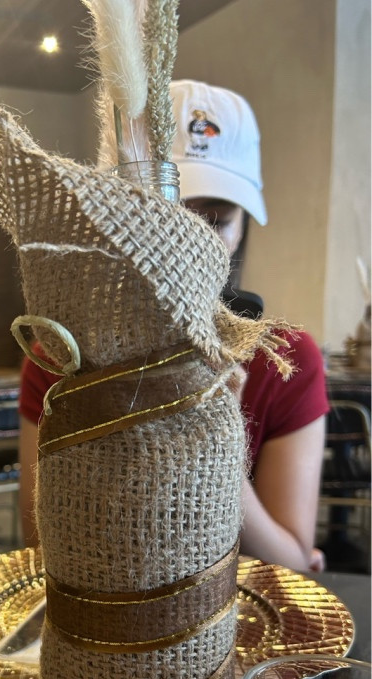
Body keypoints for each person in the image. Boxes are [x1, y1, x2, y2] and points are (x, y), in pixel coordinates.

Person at [18, 79, 329, 572]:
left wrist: (218, 444)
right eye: (164, 217)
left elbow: (290, 566)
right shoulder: (62, 358)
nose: (184, 244)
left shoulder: (287, 360)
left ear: (242, 228)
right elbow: (45, 547)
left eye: (214, 220)